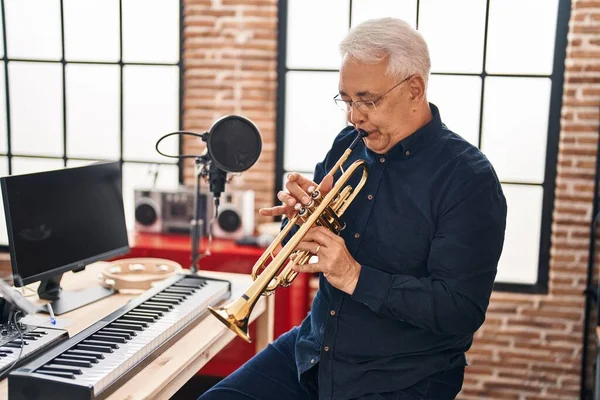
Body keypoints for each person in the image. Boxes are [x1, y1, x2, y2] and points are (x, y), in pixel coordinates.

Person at [199, 17, 507, 400]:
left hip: (402, 376)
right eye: (346, 100)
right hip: (314, 352)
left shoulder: (468, 180)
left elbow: (459, 310)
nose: (353, 115)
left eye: (368, 100)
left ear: (415, 89)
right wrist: (300, 223)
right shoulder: (349, 143)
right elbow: (303, 250)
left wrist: (355, 276)